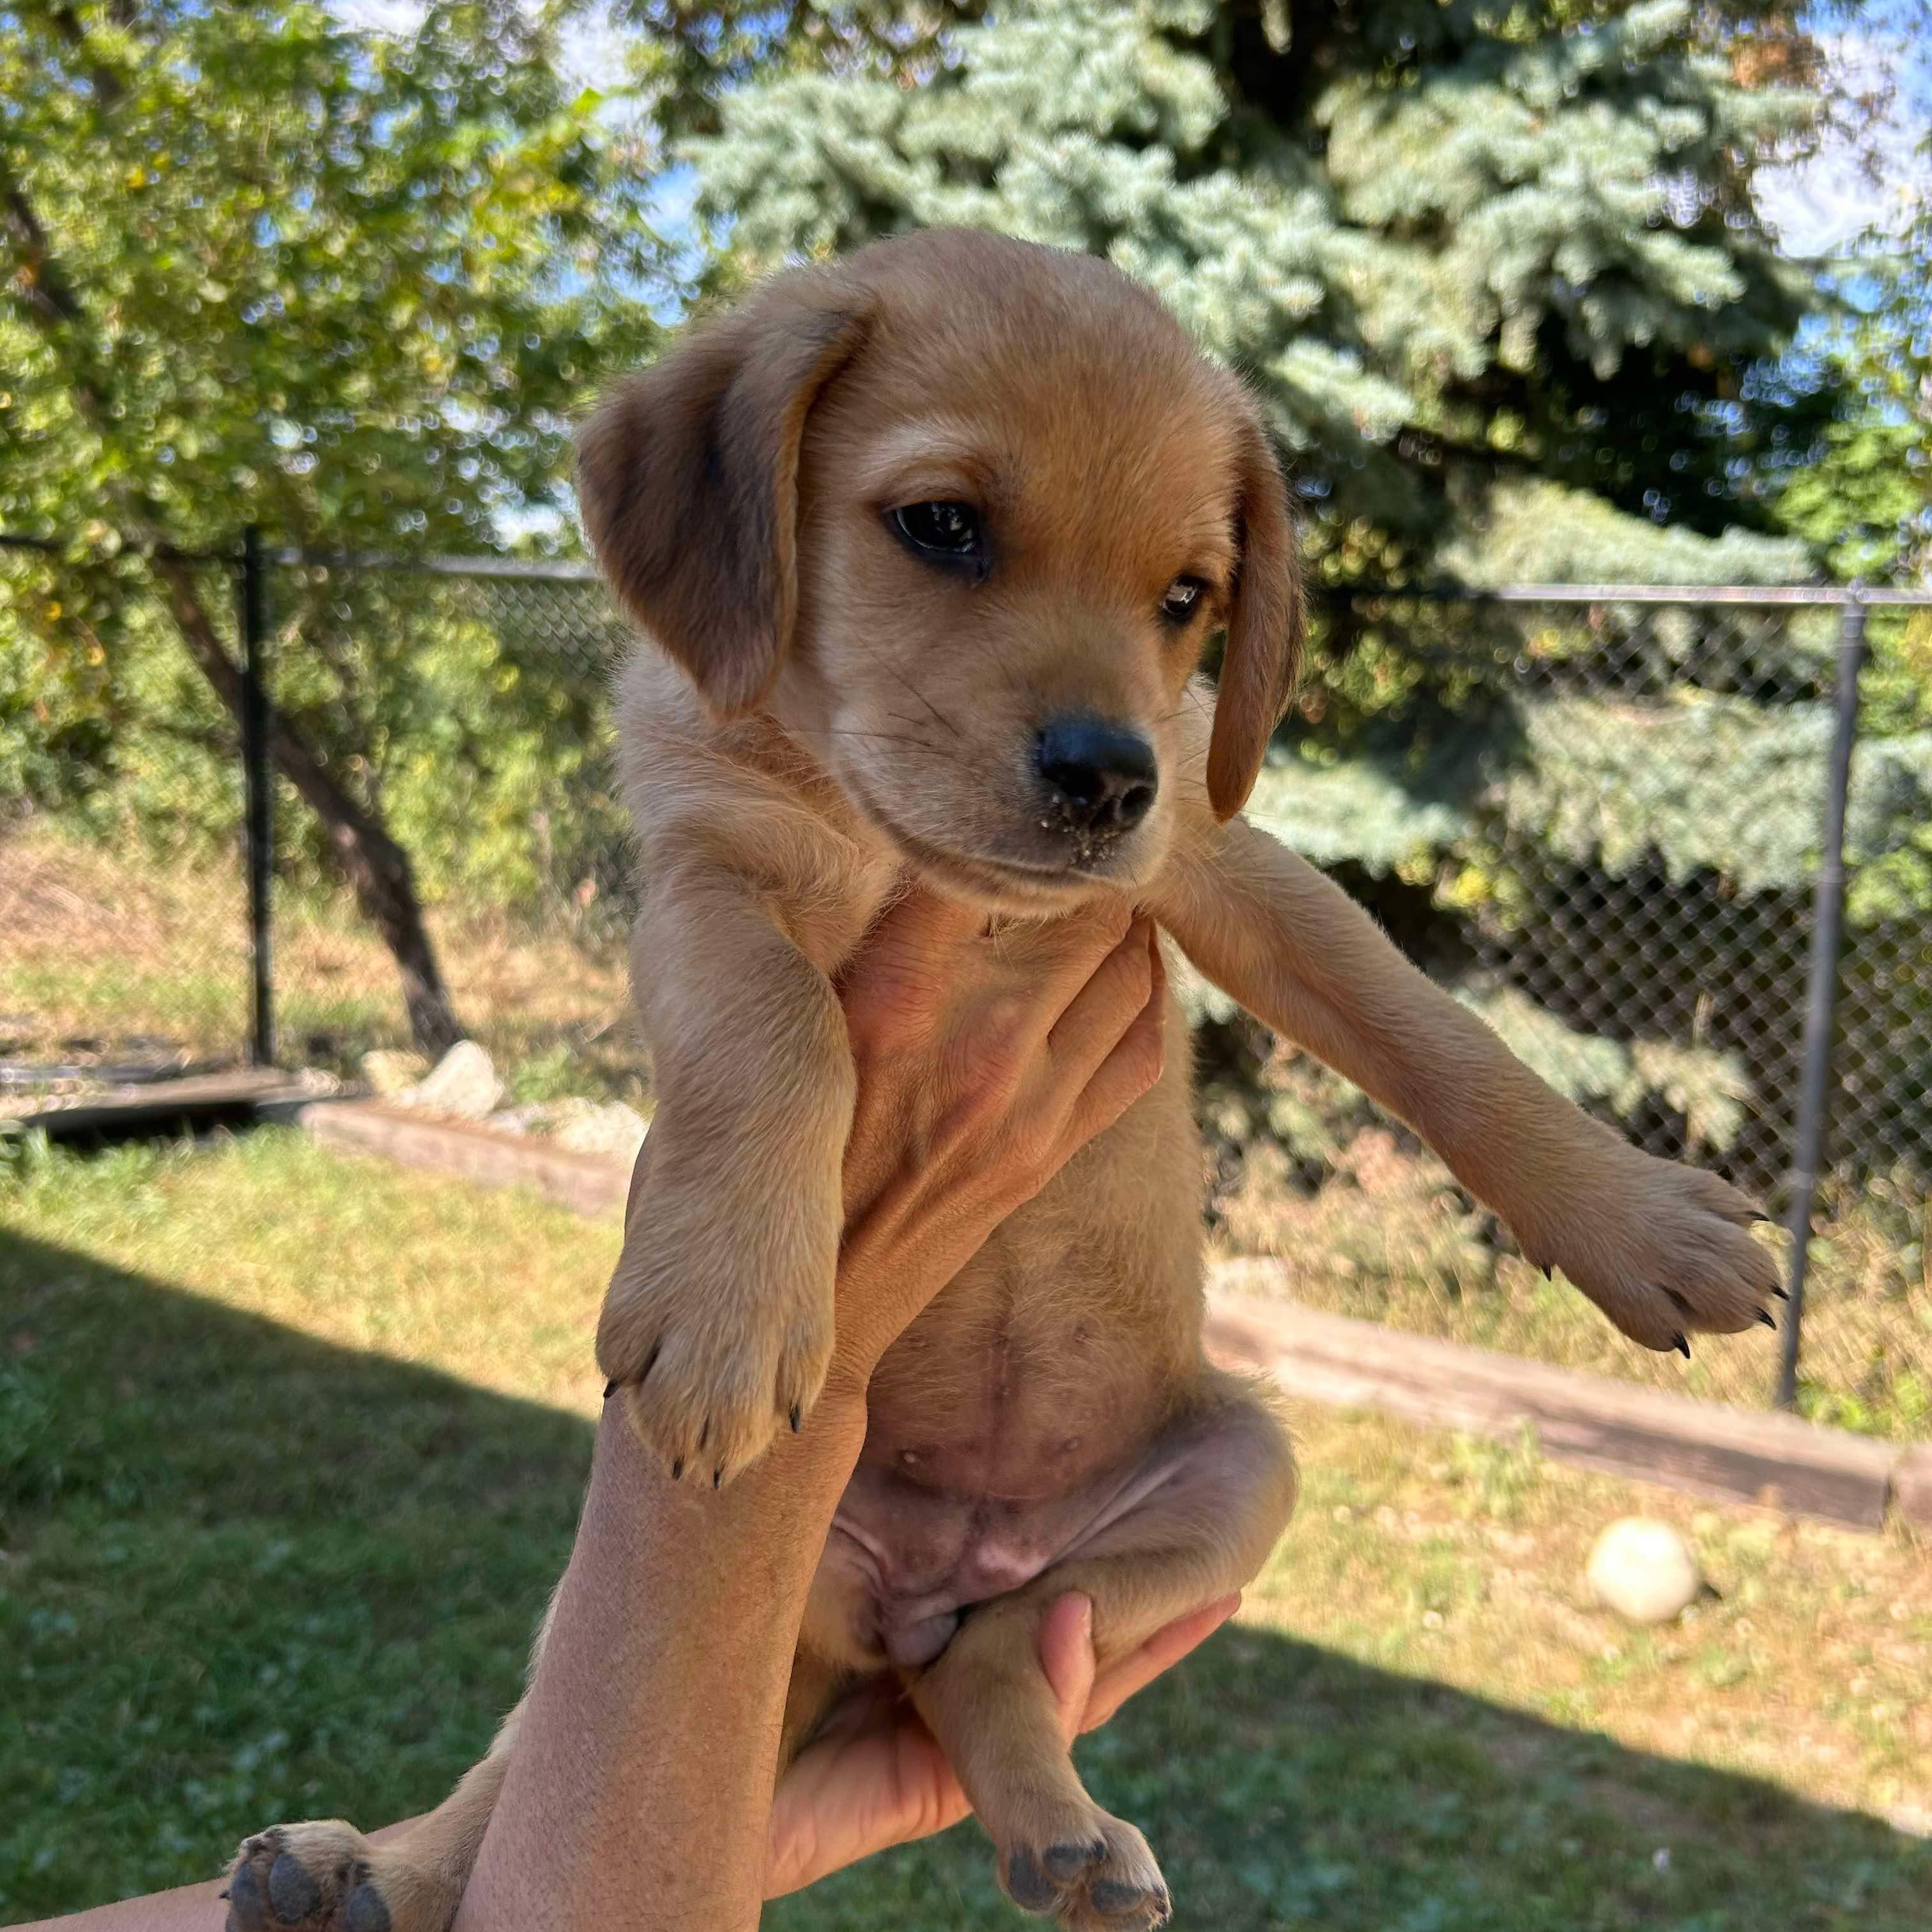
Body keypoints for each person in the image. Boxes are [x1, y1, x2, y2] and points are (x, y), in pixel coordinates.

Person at [40, 891, 1238, 1931]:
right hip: (839, 1467)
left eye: (1183, 607)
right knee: (673, 1583)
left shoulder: (1132, 743)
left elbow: (1276, 923)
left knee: (1246, 1471)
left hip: (1109, 1486)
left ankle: (1001, 1700)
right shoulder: (795, 753)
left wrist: (1441, 1093)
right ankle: (457, 1840)